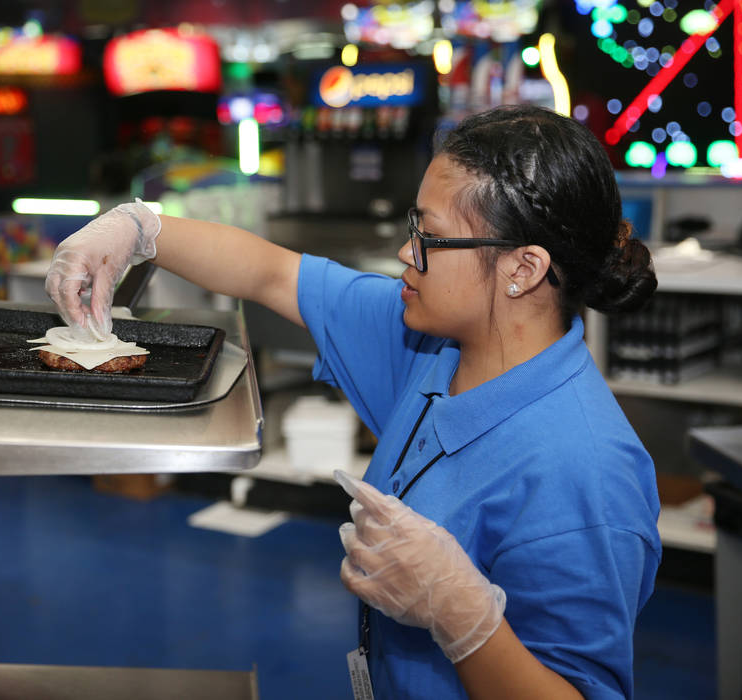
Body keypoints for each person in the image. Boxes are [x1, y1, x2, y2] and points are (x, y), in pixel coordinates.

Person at [44, 104, 661, 699]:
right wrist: (138, 228)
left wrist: (465, 618)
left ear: (522, 268)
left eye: (430, 237)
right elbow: (273, 275)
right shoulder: (430, 349)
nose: (405, 253)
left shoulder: (588, 471)